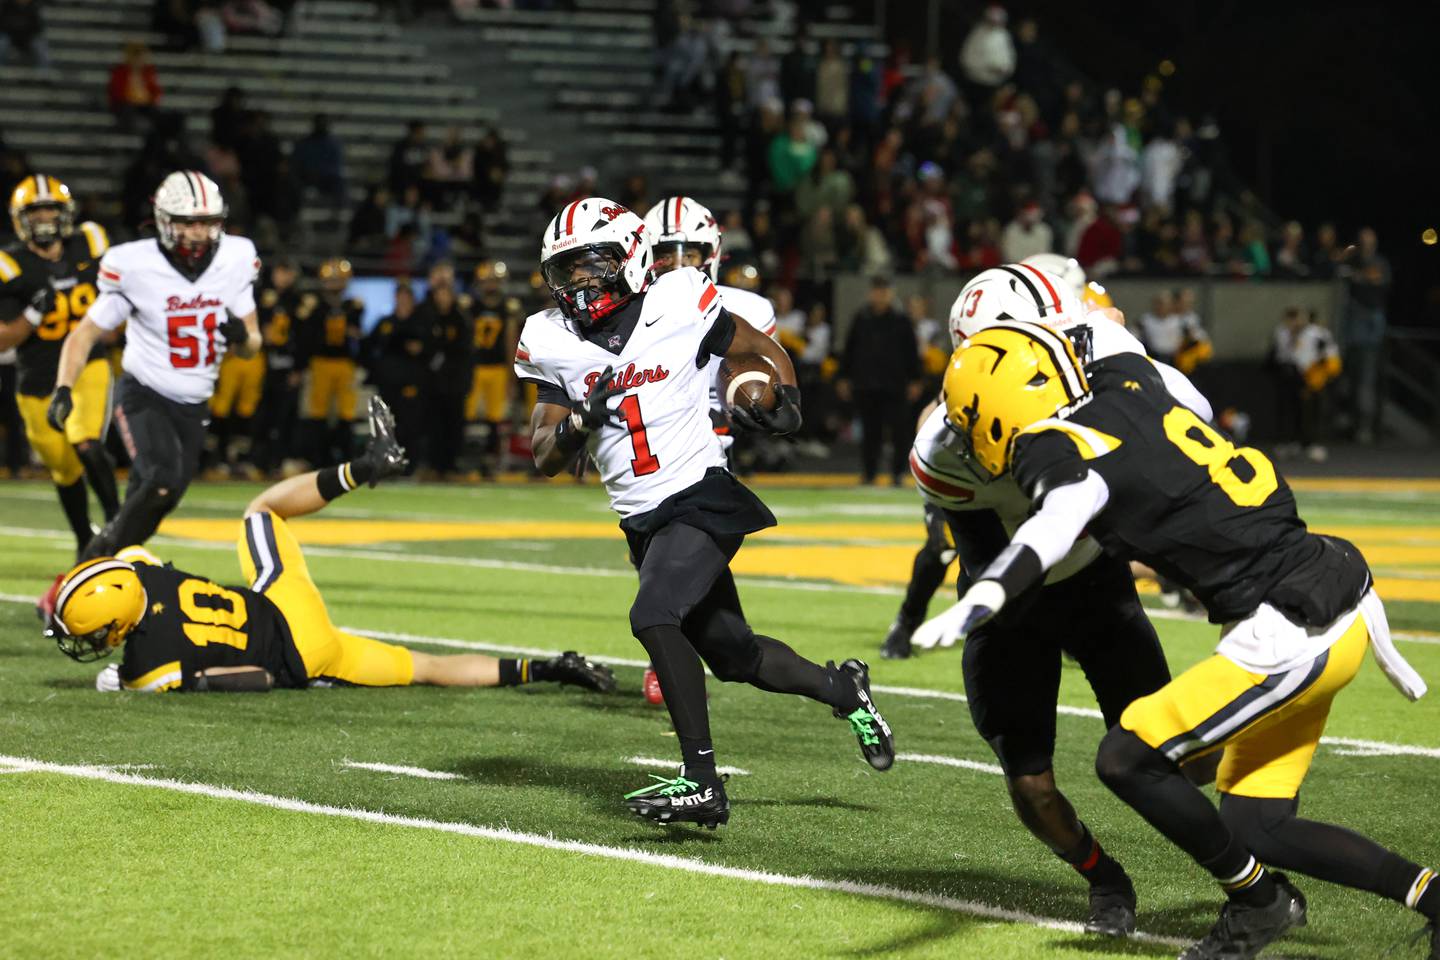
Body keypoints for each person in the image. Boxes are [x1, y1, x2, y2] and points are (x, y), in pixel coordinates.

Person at [928, 321, 1435, 960]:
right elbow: (1109, 340)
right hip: (1335, 584)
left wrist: (988, 591)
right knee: (1259, 827)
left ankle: (1260, 904)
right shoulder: (1129, 377)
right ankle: (1432, 898)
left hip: (1289, 630)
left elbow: (1057, 520)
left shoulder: (1051, 447)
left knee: (1125, 757)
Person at [515, 197, 894, 828]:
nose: (580, 281)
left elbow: (759, 347)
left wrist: (786, 399)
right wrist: (581, 420)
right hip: (643, 520)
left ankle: (703, 782)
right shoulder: (548, 337)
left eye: (593, 264)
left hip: (699, 495)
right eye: (568, 269)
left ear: (631, 257)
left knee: (653, 614)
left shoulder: (679, 299)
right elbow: (545, 454)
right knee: (735, 655)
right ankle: (844, 689)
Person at [896, 264, 1213, 937]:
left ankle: (1249, 870)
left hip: (1096, 586)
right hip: (1011, 606)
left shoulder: (1094, 363)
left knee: (1187, 758)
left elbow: (1190, 418)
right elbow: (1022, 508)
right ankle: (1105, 879)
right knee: (1032, 785)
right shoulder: (944, 447)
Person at [45, 398, 616, 697]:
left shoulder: (148, 669)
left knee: (425, 669)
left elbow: (252, 680)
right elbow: (125, 565)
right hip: (279, 598)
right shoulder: (137, 571)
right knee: (260, 510)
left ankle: (546, 669)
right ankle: (364, 466)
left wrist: (126, 679)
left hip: (302, 654)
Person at [50, 171, 260, 561]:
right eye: (187, 223)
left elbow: (253, 345)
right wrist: (64, 387)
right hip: (145, 392)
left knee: (155, 504)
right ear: (164, 221)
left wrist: (242, 338)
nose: (198, 233)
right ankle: (83, 578)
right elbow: (83, 335)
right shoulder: (134, 265)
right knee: (160, 480)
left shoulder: (237, 258)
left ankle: (97, 575)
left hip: (196, 400)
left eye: (207, 222)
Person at [0, 175, 119, 557]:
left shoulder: (91, 243)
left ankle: (121, 528)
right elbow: (3, 339)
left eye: (52, 208)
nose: (46, 217)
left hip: (88, 366)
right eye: (37, 210)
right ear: (21, 218)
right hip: (37, 380)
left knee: (87, 443)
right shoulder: (10, 265)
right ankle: (86, 539)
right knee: (64, 469)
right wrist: (33, 314)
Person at [836, 275, 920, 485]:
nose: (880, 296)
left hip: (895, 384)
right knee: (870, 432)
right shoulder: (861, 318)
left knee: (899, 431)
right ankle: (869, 473)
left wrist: (916, 379)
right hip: (867, 384)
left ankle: (898, 473)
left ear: (890, 293)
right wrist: (843, 377)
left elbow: (912, 352)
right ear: (871, 293)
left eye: (884, 291)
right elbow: (849, 350)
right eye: (877, 291)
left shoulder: (901, 320)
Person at [294, 258, 361, 466]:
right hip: (320, 362)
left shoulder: (353, 306)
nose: (334, 284)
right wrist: (300, 365)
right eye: (331, 280)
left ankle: (346, 458)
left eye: (338, 280)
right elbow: (304, 338)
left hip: (345, 363)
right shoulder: (314, 306)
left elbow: (358, 336)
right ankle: (318, 459)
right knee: (317, 413)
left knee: (346, 413)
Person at [412, 260, 471, 477]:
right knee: (431, 426)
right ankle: (431, 464)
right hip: (431, 383)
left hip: (453, 383)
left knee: (453, 426)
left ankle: (450, 465)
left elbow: (464, 350)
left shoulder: (460, 316)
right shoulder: (425, 313)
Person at [465, 260, 522, 479]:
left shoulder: (507, 307)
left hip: (497, 367)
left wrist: (511, 375)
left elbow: (510, 341)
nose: (490, 285)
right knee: (467, 416)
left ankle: (489, 461)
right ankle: (467, 460)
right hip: (475, 366)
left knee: (495, 419)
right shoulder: (471, 306)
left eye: (494, 281)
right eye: (487, 280)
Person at [252, 255, 302, 475]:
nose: (283, 277)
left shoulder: (297, 300)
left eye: (287, 272)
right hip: (263, 362)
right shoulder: (261, 296)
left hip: (286, 364)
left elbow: (304, 336)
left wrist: (298, 368)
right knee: (260, 414)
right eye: (280, 271)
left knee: (284, 416)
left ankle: (278, 462)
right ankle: (256, 461)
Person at [1343, 227, 1390, 444]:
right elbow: (1343, 272)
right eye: (1363, 240)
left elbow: (1379, 278)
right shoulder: (1353, 259)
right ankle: (1352, 422)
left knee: (1367, 378)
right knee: (1350, 375)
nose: (1366, 243)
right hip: (1353, 320)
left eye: (1369, 240)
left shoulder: (1379, 261)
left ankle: (1366, 426)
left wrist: (1362, 277)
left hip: (1371, 321)